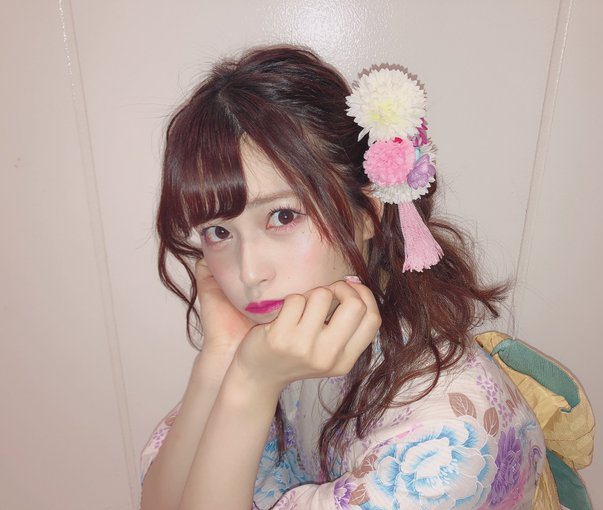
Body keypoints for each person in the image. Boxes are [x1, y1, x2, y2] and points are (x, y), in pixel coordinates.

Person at [140, 45, 546, 510]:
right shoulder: (303, 331)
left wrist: (251, 384)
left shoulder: (446, 447)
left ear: (367, 213)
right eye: (218, 231)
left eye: (283, 216)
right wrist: (221, 356)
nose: (249, 273)